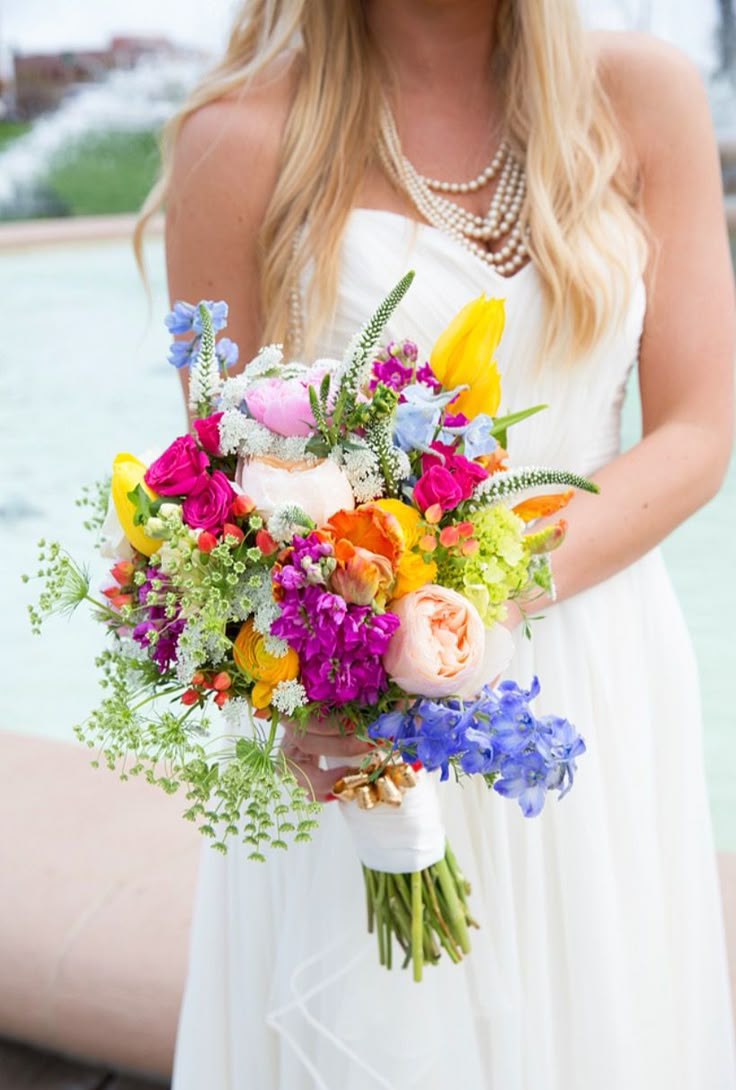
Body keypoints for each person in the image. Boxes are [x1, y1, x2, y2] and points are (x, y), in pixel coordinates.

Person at [138, 2, 736, 1087]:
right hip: (372, 722)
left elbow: (698, 431)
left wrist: (464, 598)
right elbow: (224, 494)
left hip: (597, 677)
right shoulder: (237, 142)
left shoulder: (643, 94)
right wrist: (341, 664)